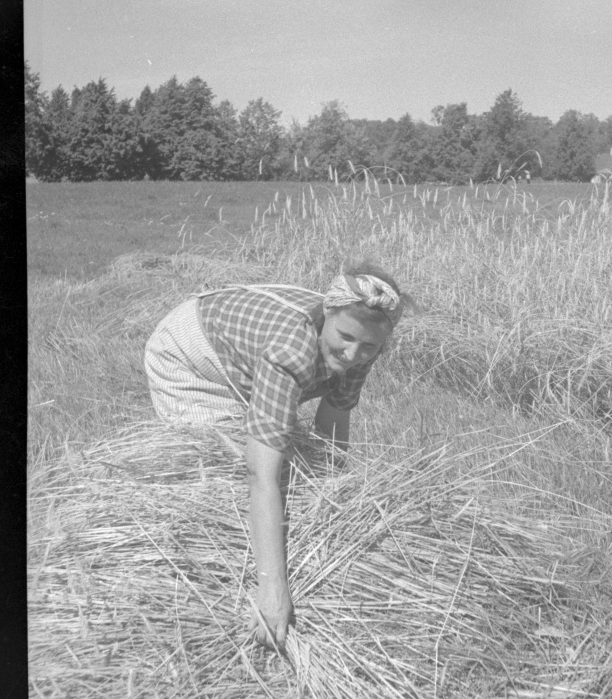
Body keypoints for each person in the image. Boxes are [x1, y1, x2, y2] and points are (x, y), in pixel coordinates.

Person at [144, 262, 413, 652]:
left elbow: (335, 415)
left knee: (293, 467)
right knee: (232, 471)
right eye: (345, 337)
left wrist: (335, 496)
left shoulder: (364, 340)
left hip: (246, 352)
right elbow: (260, 476)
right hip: (189, 355)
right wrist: (273, 587)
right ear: (327, 313)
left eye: (368, 346)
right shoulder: (291, 351)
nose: (353, 354)